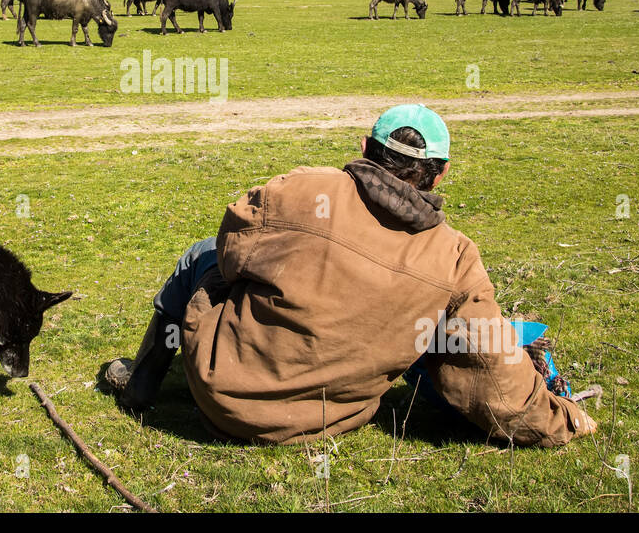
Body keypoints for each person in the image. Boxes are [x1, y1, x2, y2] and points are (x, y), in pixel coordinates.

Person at [100, 104, 596, 446]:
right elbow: (494, 372)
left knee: (199, 254)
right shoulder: (456, 258)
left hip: (223, 400)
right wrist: (565, 417)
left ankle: (141, 382)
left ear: (363, 146)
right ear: (441, 174)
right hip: (329, 420)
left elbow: (230, 256)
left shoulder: (303, 188)